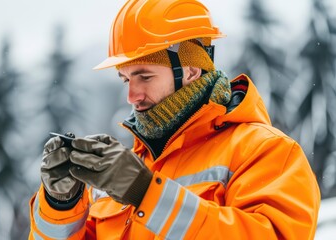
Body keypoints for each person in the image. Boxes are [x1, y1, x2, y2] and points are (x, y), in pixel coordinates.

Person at [29, 0, 320, 239]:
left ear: (192, 70)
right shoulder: (128, 169)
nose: (131, 96)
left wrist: (147, 194)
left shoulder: (265, 152)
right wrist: (60, 203)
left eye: (144, 76)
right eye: (125, 79)